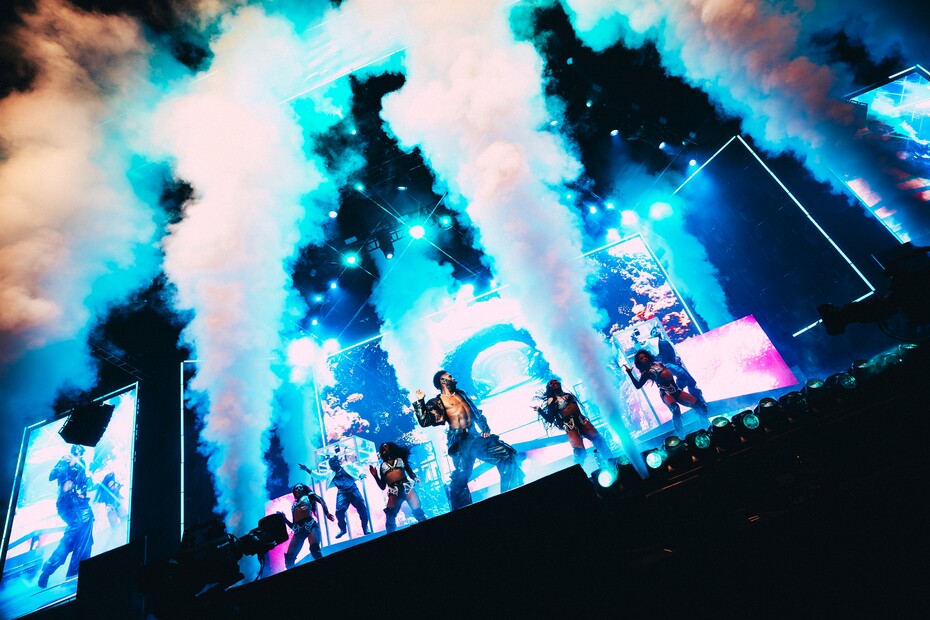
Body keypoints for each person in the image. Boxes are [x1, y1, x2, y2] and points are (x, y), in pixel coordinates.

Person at [413, 370, 524, 510]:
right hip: (459, 441)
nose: (453, 378)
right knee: (461, 476)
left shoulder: (461, 394)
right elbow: (424, 421)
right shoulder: (437, 402)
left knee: (506, 454)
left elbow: (476, 412)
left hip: (475, 437)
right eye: (449, 377)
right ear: (443, 381)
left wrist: (485, 428)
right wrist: (420, 401)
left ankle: (511, 491)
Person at [38, 444, 94, 588]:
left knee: (83, 530)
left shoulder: (82, 464)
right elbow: (52, 476)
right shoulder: (65, 462)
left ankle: (69, 568)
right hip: (66, 503)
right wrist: (66, 463)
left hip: (78, 502)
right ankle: (54, 566)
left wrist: (85, 488)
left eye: (81, 453)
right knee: (78, 527)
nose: (79, 455)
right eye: (77, 453)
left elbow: (83, 482)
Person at [623, 349, 708, 437]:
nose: (644, 358)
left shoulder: (658, 364)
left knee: (701, 406)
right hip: (666, 392)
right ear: (639, 362)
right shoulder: (646, 373)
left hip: (676, 390)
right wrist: (630, 373)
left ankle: (705, 428)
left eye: (645, 356)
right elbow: (638, 385)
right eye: (641, 358)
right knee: (675, 409)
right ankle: (681, 435)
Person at [533, 379, 614, 466]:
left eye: (555, 381)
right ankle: (577, 471)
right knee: (579, 452)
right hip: (569, 424)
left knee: (599, 440)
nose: (554, 383)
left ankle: (612, 462)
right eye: (551, 383)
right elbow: (550, 419)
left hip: (580, 419)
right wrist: (540, 410)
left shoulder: (568, 394)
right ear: (549, 388)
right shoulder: (551, 399)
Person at [633, 324, 705, 407]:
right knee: (681, 373)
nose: (656, 331)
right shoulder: (651, 342)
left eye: (657, 329)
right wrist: (635, 341)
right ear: (651, 335)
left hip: (674, 363)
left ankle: (697, 397)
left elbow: (673, 351)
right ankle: (677, 391)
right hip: (665, 364)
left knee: (690, 380)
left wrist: (677, 357)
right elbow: (641, 348)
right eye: (653, 331)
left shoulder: (666, 341)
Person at [368, 442, 427, 533]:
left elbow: (410, 472)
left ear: (391, 448)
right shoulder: (382, 466)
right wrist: (375, 476)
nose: (384, 449)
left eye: (386, 447)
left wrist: (415, 478)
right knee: (390, 518)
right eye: (382, 448)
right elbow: (382, 486)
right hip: (394, 491)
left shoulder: (401, 459)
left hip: (406, 487)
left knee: (418, 512)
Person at [281, 482, 335, 569]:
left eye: (300, 487)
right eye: (296, 488)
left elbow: (321, 500)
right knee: (289, 559)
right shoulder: (294, 505)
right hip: (299, 529)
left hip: (310, 525)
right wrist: (285, 519)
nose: (298, 489)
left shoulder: (309, 496)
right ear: (294, 492)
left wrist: (326, 513)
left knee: (315, 551)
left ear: (304, 489)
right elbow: (294, 526)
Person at [326, 450, 371, 539]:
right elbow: (319, 476)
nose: (331, 467)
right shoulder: (331, 474)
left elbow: (357, 468)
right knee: (339, 512)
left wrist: (361, 474)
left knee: (362, 508)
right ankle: (343, 529)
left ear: (337, 463)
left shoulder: (347, 466)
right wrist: (307, 470)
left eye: (332, 464)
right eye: (330, 465)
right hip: (342, 493)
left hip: (353, 490)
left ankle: (365, 527)